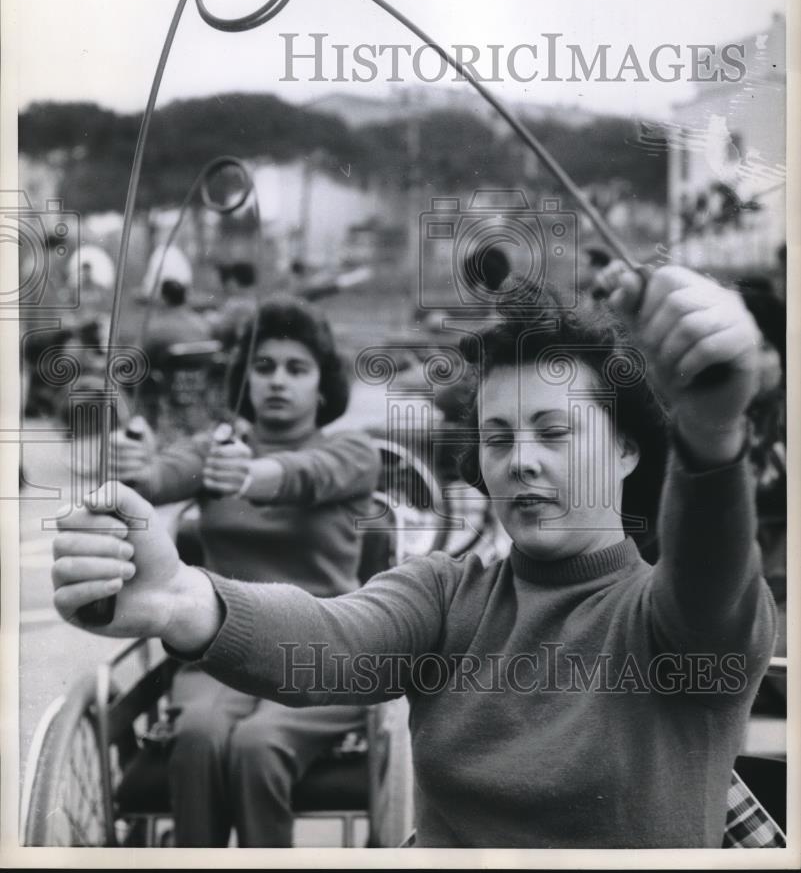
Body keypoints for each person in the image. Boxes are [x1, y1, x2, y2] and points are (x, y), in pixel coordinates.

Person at [53, 264, 776, 848]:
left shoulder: (678, 621)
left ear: (625, 450)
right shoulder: (446, 595)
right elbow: (328, 636)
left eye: (553, 432)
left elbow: (710, 561)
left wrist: (710, 435)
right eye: (496, 438)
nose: (520, 460)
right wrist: (181, 597)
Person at [102, 296, 380, 847]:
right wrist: (137, 465)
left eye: (296, 369)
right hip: (223, 653)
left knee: (258, 746)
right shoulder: (216, 445)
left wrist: (253, 474)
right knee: (198, 738)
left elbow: (308, 474)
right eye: (264, 366)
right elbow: (161, 475)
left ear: (322, 386)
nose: (278, 381)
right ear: (245, 379)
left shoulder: (353, 450)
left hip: (322, 653)